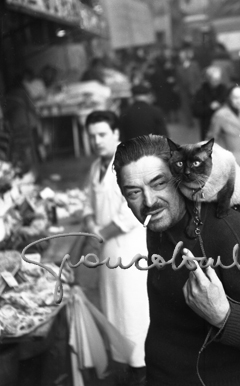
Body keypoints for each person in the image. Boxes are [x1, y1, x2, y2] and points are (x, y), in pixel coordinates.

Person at [112, 134, 240, 386]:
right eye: (134, 192)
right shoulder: (158, 222)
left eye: (159, 183)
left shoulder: (228, 233)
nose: (148, 201)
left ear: (178, 178)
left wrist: (224, 316)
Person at [82, 111, 149, 386]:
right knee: (114, 312)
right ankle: (125, 366)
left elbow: (129, 213)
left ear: (116, 135)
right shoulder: (95, 167)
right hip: (106, 253)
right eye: (92, 136)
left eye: (102, 135)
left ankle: (142, 370)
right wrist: (91, 224)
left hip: (128, 254)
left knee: (132, 314)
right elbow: (87, 203)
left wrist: (99, 234)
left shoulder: (127, 165)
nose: (96, 141)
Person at [192, 65, 227, 140]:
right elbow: (196, 111)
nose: (217, 81)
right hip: (207, 127)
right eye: (214, 79)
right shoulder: (201, 92)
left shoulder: (224, 90)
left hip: (223, 127)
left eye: (218, 79)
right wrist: (210, 108)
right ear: (208, 79)